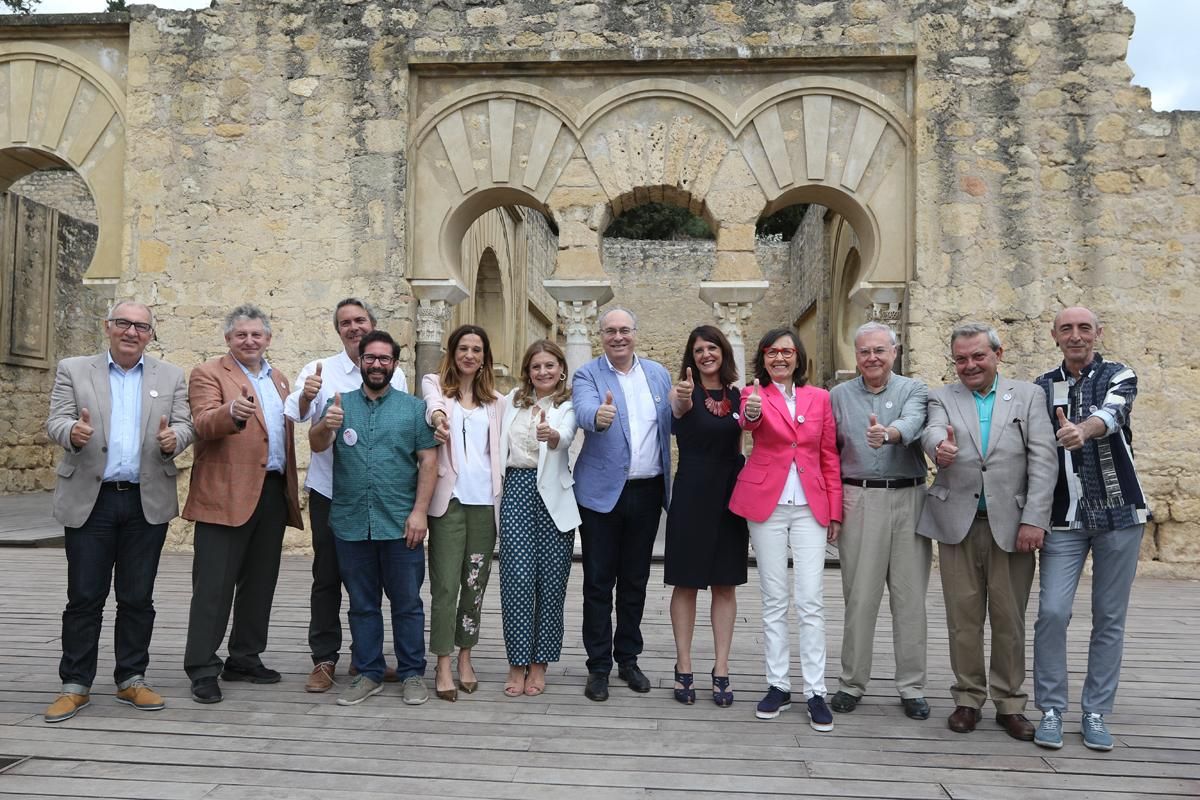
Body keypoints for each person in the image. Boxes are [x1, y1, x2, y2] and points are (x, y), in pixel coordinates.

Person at [42, 300, 195, 723]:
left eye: (141, 327)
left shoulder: (171, 375)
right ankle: (75, 685)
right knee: (84, 597)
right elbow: (55, 420)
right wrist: (71, 432)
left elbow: (186, 424)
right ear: (108, 327)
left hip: (145, 500)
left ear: (150, 334)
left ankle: (131, 678)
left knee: (137, 597)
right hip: (92, 500)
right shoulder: (74, 369)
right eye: (123, 323)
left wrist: (175, 440)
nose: (132, 332)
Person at [917, 321, 1056, 740]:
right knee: (963, 619)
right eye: (961, 359)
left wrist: (1035, 518)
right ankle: (967, 699)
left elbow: (1043, 460)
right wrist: (938, 448)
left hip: (1013, 526)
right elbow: (931, 431)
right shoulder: (941, 396)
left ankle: (1010, 703)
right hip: (957, 523)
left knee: (1009, 618)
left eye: (978, 356)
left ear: (998, 353)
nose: (970, 365)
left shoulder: (1029, 395)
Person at [1032, 307, 1149, 751]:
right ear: (1055, 336)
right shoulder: (1043, 386)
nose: (1076, 336)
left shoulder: (1120, 374)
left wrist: (1083, 430)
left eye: (1084, 328)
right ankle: (1051, 708)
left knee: (1109, 618)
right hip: (1065, 516)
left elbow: (1114, 413)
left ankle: (1095, 711)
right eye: (1067, 329)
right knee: (1053, 612)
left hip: (1120, 513)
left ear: (1098, 333)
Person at [284, 298, 409, 693]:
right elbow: (296, 414)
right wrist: (308, 395)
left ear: (372, 323)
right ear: (337, 330)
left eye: (360, 320)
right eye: (345, 323)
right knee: (327, 576)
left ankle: (365, 657)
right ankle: (324, 659)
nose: (353, 327)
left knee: (371, 579)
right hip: (332, 493)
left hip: (380, 498)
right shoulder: (320, 370)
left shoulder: (394, 372)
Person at [309, 330, 437, 707]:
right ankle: (368, 672)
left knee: (407, 603)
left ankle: (413, 673)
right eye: (370, 358)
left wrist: (419, 513)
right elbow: (317, 445)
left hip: (400, 523)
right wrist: (325, 425)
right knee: (362, 604)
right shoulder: (340, 403)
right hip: (351, 523)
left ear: (394, 364)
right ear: (360, 362)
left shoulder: (413, 409)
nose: (377, 364)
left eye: (384, 359)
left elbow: (429, 461)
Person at [183, 304, 303, 704]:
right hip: (224, 492)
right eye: (241, 335)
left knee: (260, 582)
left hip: (271, 492)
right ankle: (202, 666)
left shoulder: (280, 379)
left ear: (268, 339)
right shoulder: (209, 373)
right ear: (228, 339)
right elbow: (201, 422)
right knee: (213, 586)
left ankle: (244, 657)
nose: (249, 341)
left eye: (256, 335)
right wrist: (230, 413)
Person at [729, 328, 841, 731]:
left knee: (810, 600)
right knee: (774, 598)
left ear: (798, 357)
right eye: (772, 352)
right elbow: (747, 423)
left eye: (787, 352)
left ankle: (815, 691)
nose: (780, 358)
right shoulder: (752, 393)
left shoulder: (819, 398)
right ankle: (778, 684)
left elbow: (828, 453)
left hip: (811, 506)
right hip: (768, 505)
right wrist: (754, 411)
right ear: (764, 357)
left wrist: (835, 511)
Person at [829, 322, 931, 720]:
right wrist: (831, 508)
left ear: (894, 352)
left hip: (909, 497)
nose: (872, 358)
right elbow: (828, 451)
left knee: (910, 600)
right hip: (859, 498)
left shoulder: (915, 390)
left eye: (880, 351)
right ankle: (851, 683)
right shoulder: (838, 396)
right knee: (859, 598)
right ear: (855, 356)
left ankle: (911, 687)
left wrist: (888, 434)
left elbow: (913, 424)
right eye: (864, 351)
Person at [573, 307, 672, 702]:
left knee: (635, 581)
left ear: (636, 332)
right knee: (598, 582)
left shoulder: (658, 375)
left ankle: (628, 659)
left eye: (625, 330)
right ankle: (598, 666)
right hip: (600, 495)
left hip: (646, 492)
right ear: (601, 336)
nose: (618, 337)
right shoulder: (588, 375)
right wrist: (599, 415)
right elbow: (582, 410)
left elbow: (671, 422)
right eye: (610, 331)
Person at [664, 325, 748, 707]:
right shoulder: (682, 391)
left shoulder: (737, 395)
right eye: (697, 350)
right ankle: (684, 667)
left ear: (722, 352)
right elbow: (678, 409)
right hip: (692, 492)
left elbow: (746, 438)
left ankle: (722, 668)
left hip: (730, 493)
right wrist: (682, 396)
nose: (705, 355)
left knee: (724, 584)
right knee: (686, 582)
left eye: (711, 347)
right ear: (691, 357)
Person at [421, 324, 504, 702]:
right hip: (448, 502)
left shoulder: (497, 403)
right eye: (463, 348)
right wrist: (439, 420)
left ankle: (466, 657)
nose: (470, 355)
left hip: (484, 505)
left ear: (485, 356)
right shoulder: (436, 387)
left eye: (477, 349)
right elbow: (433, 407)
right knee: (445, 586)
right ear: (453, 353)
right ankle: (442, 662)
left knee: (475, 584)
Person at [497, 340, 580, 697]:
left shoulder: (570, 405)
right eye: (536, 367)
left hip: (554, 499)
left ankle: (540, 665)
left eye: (549, 366)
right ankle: (517, 663)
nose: (543, 372)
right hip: (516, 489)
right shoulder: (511, 400)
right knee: (516, 578)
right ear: (527, 372)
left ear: (561, 369)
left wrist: (552, 435)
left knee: (551, 584)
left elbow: (566, 437)